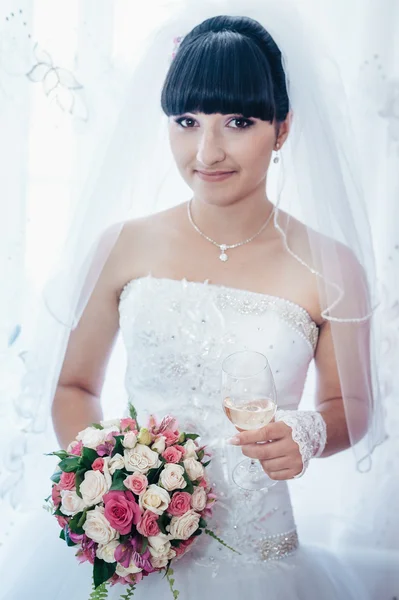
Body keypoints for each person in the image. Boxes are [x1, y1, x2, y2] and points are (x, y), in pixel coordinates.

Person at [0, 1, 386, 599]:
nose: (206, 152)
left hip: (261, 560)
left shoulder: (330, 265)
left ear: (282, 127)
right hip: (137, 559)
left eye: (237, 122)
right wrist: (108, 480)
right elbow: (72, 388)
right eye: (186, 120)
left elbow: (350, 404)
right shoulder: (122, 246)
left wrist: (307, 433)